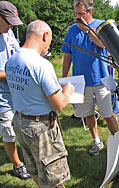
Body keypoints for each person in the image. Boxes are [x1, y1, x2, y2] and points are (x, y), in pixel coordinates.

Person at [5, 20, 75, 188]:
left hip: (20, 122)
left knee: (35, 169)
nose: (48, 47)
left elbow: (29, 89)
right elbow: (59, 104)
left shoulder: (11, 61)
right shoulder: (42, 65)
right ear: (45, 35)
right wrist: (68, 91)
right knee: (54, 177)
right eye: (49, 42)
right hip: (40, 129)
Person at [61, 0, 118, 156]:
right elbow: (67, 55)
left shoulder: (101, 26)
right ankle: (96, 140)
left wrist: (86, 29)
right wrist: (64, 78)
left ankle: (118, 142)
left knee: (108, 114)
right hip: (80, 81)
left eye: (81, 13)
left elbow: (103, 45)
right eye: (76, 13)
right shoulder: (72, 30)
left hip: (102, 80)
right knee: (88, 114)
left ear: (90, 12)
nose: (78, 17)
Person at [0, 1, 31, 180]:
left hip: (18, 92)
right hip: (3, 97)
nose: (11, 25)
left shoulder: (9, 31)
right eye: (8, 21)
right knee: (9, 132)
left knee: (21, 126)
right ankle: (17, 165)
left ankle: (26, 156)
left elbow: (18, 53)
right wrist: (14, 73)